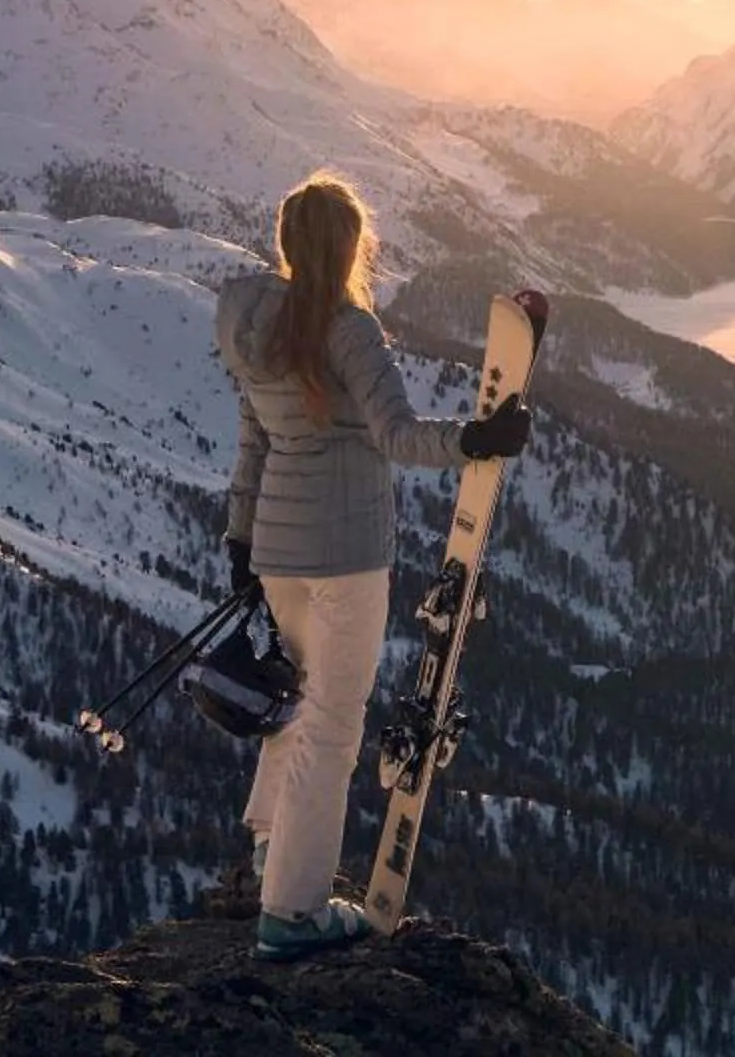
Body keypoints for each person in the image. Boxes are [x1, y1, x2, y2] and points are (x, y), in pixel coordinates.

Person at [216, 172, 533, 961]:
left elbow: (254, 444)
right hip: (347, 554)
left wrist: (240, 540)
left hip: (278, 549)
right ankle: (292, 912)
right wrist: (476, 441)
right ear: (352, 248)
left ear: (288, 244)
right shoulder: (347, 329)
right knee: (331, 726)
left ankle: (271, 849)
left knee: (290, 706)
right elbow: (396, 434)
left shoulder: (254, 326)